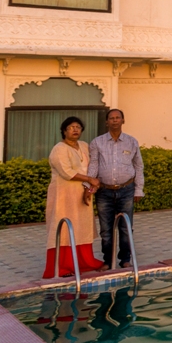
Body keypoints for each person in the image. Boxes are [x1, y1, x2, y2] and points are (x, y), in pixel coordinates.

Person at [43, 116, 106, 278]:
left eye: (78, 127)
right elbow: (66, 172)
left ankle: (85, 262)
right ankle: (62, 267)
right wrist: (89, 179)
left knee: (81, 226)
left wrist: (90, 187)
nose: (75, 130)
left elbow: (92, 167)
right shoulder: (59, 149)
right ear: (64, 131)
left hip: (84, 192)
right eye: (71, 127)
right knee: (64, 226)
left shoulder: (84, 146)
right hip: (63, 195)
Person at [88, 108, 144, 269]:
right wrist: (88, 186)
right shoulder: (97, 142)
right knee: (106, 230)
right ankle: (108, 260)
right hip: (104, 192)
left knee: (126, 228)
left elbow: (139, 166)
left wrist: (139, 189)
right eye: (111, 118)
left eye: (117, 117)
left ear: (123, 120)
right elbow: (93, 166)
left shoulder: (131, 142)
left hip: (126, 190)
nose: (114, 120)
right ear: (107, 122)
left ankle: (125, 259)